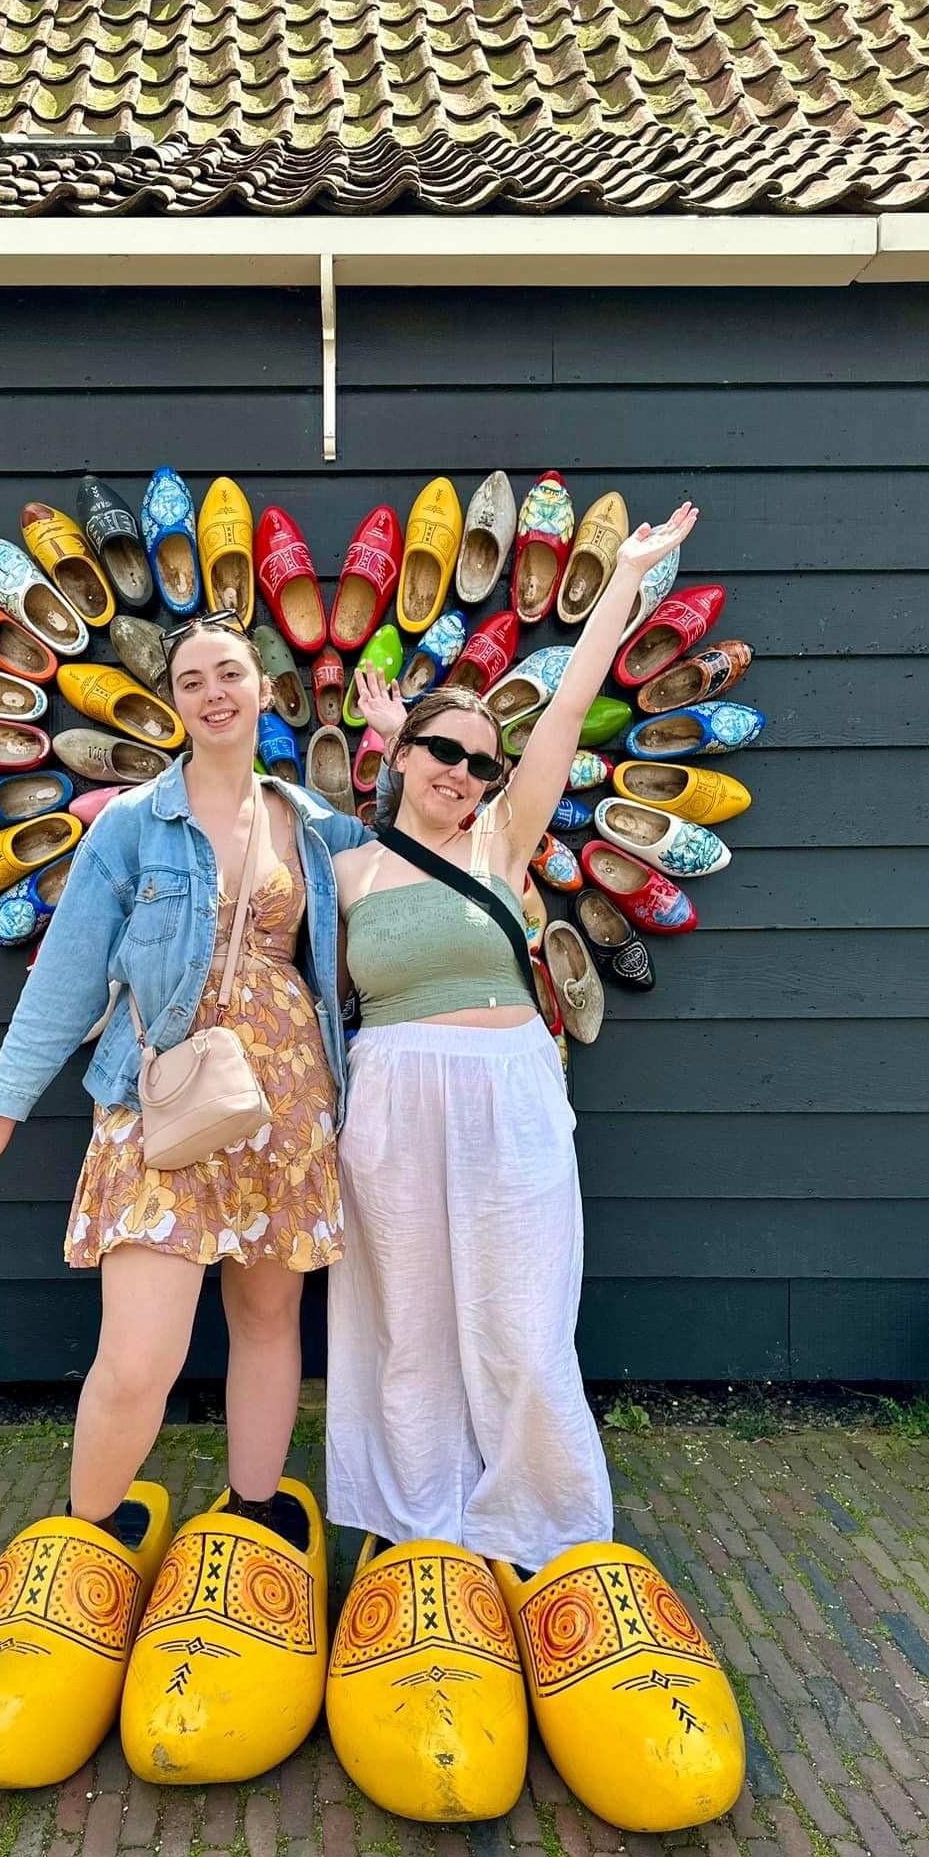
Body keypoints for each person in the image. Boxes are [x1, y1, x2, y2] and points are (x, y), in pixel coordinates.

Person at [0, 611, 368, 1531]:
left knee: (267, 1316)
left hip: (286, 1102)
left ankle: (255, 1506)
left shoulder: (313, 821)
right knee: (139, 1355)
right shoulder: (131, 824)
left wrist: (406, 748)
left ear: (263, 691)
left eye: (230, 675)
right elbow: (68, 974)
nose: (214, 693)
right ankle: (88, 1534)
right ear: (175, 704)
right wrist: (1, 1109)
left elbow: (413, 875)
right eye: (193, 680)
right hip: (158, 1094)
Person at [329, 504, 699, 1573]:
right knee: (410, 1325)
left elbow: (573, 700)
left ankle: (537, 1527)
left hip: (510, 1086)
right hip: (392, 1095)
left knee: (522, 1321)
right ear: (401, 755)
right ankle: (421, 1525)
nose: (462, 771)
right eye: (442, 750)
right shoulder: (346, 871)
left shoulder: (502, 835)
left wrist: (625, 576)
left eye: (481, 760)